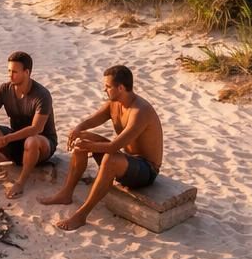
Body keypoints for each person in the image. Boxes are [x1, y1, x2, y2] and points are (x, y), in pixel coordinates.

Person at [39, 65, 163, 231]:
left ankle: (82, 215)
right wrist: (78, 130)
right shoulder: (114, 104)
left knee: (109, 158)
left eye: (108, 87)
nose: (105, 90)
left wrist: (89, 145)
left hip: (146, 170)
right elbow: (92, 121)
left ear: (120, 87)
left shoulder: (140, 111)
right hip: (127, 161)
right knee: (82, 140)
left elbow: (114, 146)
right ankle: (66, 193)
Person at [0, 51, 57, 198]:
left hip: (42, 144)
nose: (10, 75)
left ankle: (21, 182)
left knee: (32, 140)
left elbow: (37, 128)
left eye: (15, 72)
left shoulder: (42, 94)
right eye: (9, 71)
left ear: (27, 72)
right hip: (16, 141)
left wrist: (7, 138)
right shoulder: (4, 89)